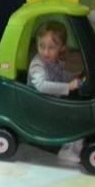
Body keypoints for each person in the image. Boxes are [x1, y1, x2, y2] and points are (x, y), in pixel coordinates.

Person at [28, 20, 87, 164]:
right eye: (41, 46)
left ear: (61, 48)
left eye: (51, 47)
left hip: (52, 100)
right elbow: (41, 86)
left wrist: (75, 77)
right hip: (40, 105)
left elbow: (59, 76)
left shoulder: (54, 61)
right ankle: (67, 150)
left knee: (80, 107)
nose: (45, 52)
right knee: (75, 116)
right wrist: (68, 87)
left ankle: (78, 144)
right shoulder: (37, 65)